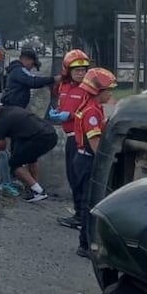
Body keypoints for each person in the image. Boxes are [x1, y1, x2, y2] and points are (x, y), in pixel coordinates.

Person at [72, 67, 117, 258]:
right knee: (88, 204)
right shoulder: (91, 112)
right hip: (87, 161)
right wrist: (108, 161)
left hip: (83, 159)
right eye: (108, 90)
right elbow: (95, 143)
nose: (111, 93)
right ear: (99, 91)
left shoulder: (93, 107)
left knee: (89, 202)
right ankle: (85, 244)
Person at [0, 102, 57, 202]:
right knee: (31, 158)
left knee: (14, 163)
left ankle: (39, 191)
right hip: (50, 134)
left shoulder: (2, 121)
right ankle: (34, 187)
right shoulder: (12, 109)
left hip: (39, 138)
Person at [49, 49, 91, 230]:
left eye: (84, 70)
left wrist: (71, 115)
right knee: (72, 177)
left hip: (81, 139)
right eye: (77, 70)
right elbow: (61, 105)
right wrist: (57, 113)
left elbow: (90, 110)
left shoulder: (88, 89)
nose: (81, 73)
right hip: (69, 138)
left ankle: (82, 217)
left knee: (80, 178)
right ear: (68, 70)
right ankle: (78, 213)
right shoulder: (63, 87)